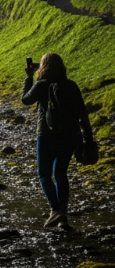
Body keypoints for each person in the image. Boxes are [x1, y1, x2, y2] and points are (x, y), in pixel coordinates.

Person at [21, 53, 93, 229]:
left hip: (46, 136)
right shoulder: (71, 86)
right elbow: (83, 115)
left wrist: (29, 77)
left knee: (44, 175)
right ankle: (63, 218)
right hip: (69, 137)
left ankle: (55, 210)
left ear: (42, 67)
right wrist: (88, 140)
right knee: (60, 173)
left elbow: (25, 99)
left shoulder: (41, 85)